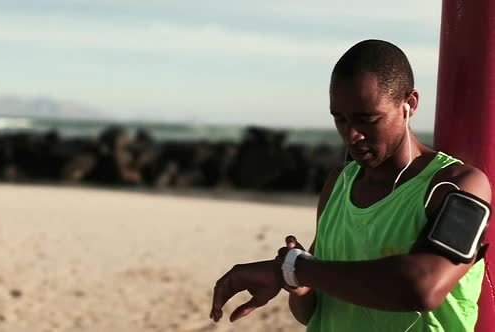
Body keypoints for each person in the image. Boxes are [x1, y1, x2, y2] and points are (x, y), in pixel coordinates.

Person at [209, 39, 492, 331]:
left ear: (409, 104)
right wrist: (296, 282)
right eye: (339, 119)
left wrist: (296, 269)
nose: (352, 135)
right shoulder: (339, 183)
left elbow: (423, 287)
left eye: (367, 119)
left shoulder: (457, 184)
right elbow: (313, 311)